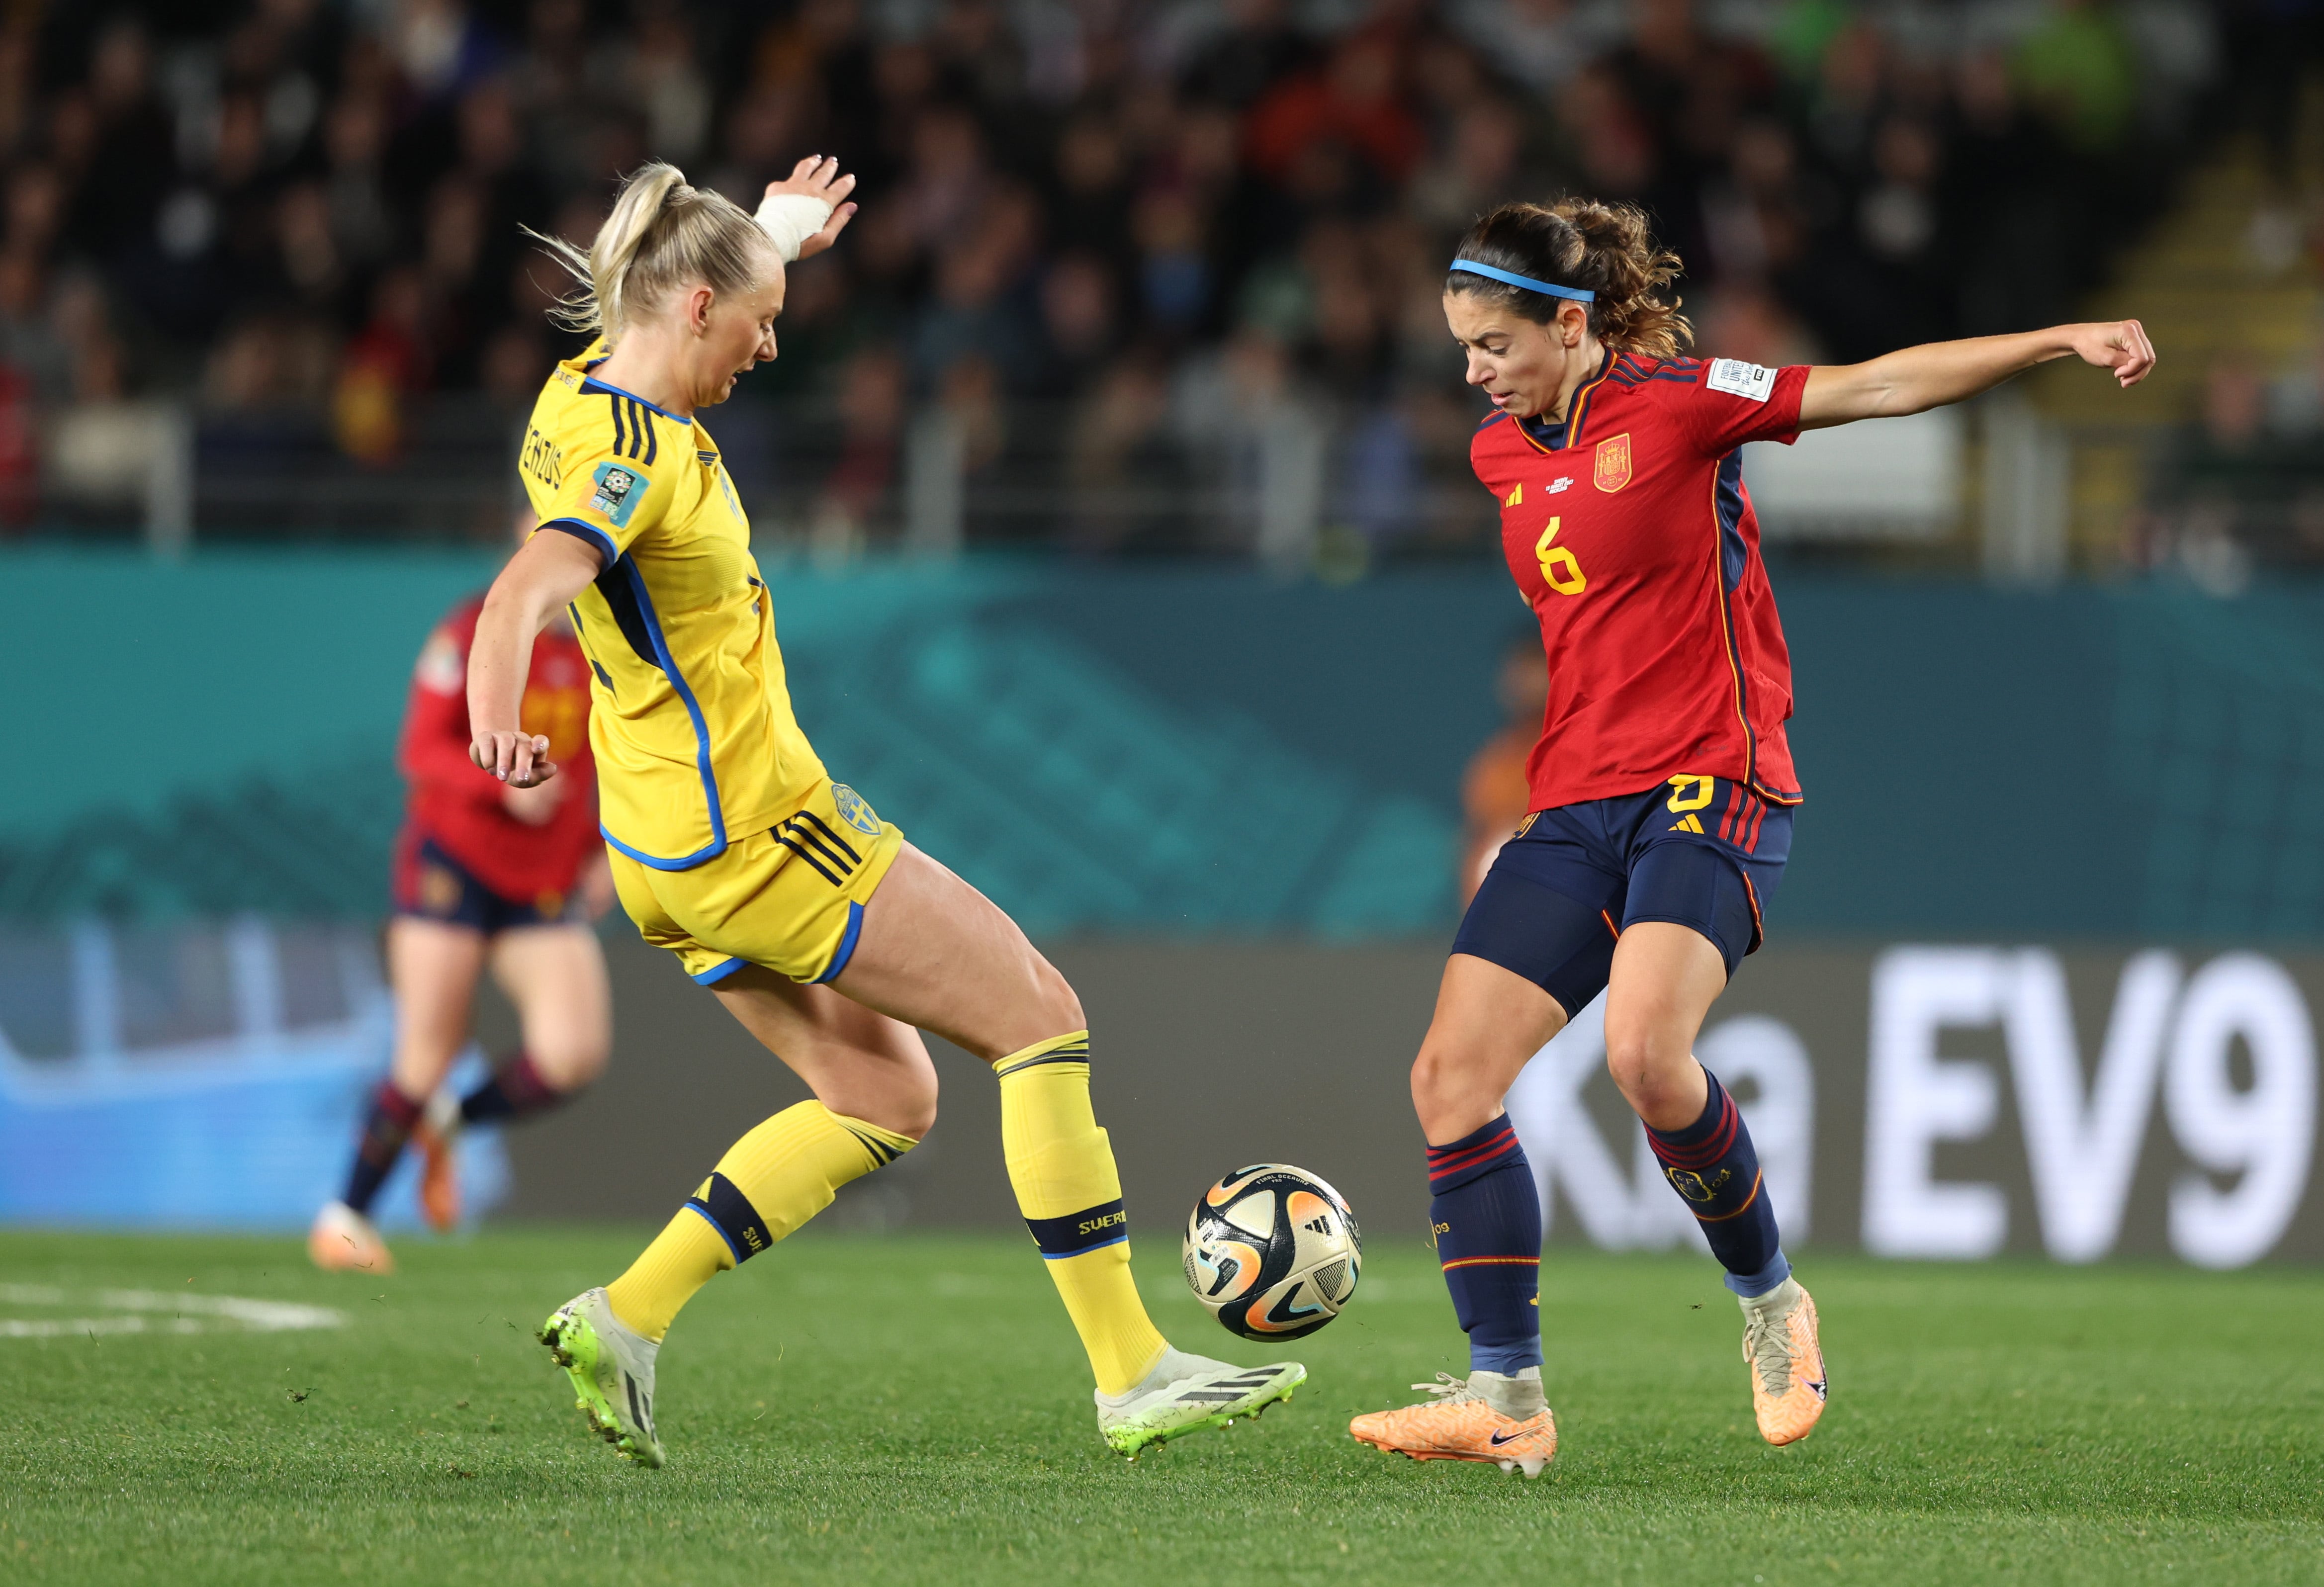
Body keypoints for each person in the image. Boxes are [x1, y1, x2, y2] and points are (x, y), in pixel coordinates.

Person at [469, 156, 1303, 1469]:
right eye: (759, 320)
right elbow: (526, 591)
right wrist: (494, 714)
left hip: (656, 855)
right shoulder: (639, 460)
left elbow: (711, 290)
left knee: (880, 1097)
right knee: (1039, 1019)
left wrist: (775, 233)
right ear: (691, 310)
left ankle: (623, 1321)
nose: (771, 340)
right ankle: (1130, 1371)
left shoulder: (575, 393)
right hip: (758, 832)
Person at [1349, 198, 2154, 1477]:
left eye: (1495, 344)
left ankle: (1773, 1306)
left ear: (1570, 324)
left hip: (1710, 779)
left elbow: (1879, 386)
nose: (1474, 371)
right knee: (1449, 1080)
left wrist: (2055, 339)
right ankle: (1506, 1397)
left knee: (1646, 1057)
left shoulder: (1682, 403)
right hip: (1575, 801)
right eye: (1463, 347)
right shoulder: (1500, 454)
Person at [309, 534, 613, 1275]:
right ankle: (344, 1220)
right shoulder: (478, 627)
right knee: (427, 1050)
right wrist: (500, 785)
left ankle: (452, 1122)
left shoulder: (616, 654)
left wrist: (605, 853)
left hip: (539, 882)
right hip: (454, 866)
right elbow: (420, 750)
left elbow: (617, 764)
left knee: (573, 1054)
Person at [1456, 628, 1549, 909]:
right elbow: (1478, 842)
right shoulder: (1497, 761)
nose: (1527, 681)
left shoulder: (1591, 750)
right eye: (1519, 669)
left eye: (1538, 666)